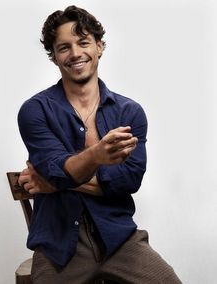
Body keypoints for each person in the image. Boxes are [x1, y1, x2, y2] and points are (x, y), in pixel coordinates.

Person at [17, 5, 182, 284]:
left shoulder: (129, 113)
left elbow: (128, 180)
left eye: (83, 42)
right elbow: (56, 168)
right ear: (54, 57)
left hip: (118, 237)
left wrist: (55, 182)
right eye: (63, 47)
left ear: (99, 46)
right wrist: (97, 156)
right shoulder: (35, 111)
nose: (75, 53)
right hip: (58, 244)